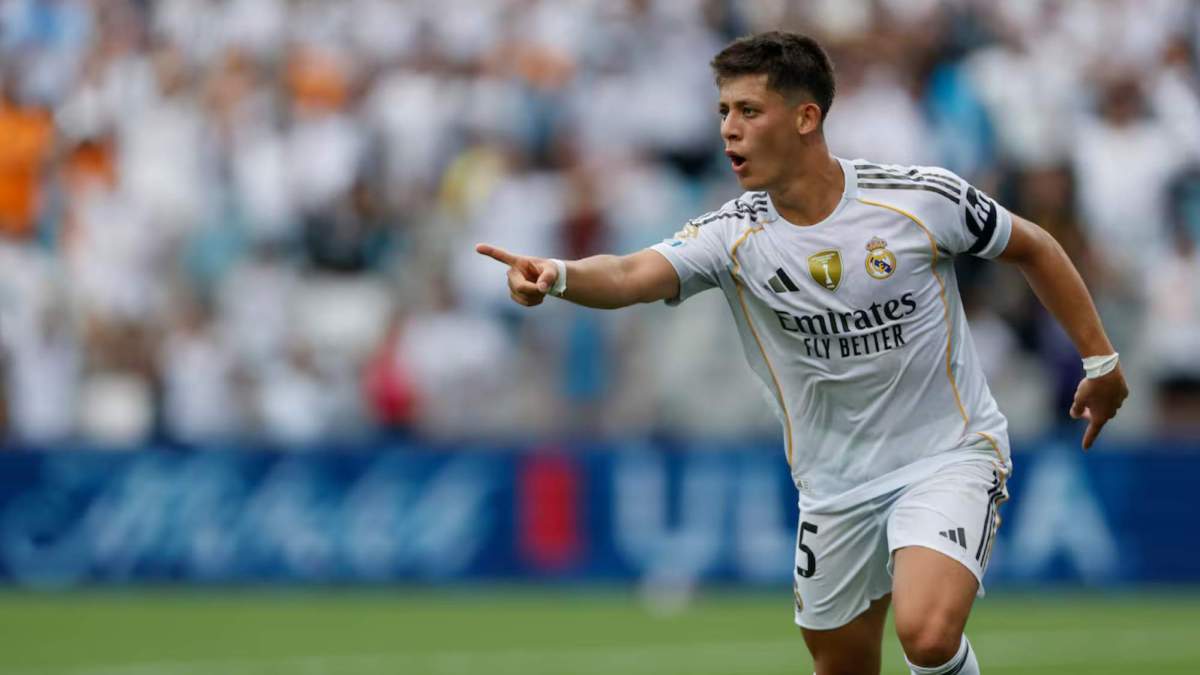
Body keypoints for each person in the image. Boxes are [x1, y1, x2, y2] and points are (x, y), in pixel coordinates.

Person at [476, 31, 1128, 675]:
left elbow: (1034, 246)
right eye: (724, 112)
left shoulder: (917, 198)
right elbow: (626, 274)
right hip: (834, 487)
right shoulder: (733, 234)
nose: (729, 129)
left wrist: (1100, 361)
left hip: (946, 453)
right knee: (841, 663)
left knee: (927, 634)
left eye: (749, 111)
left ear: (806, 116)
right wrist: (556, 274)